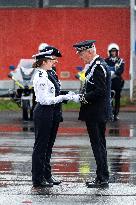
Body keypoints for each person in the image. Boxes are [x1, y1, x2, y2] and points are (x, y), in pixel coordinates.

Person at [71, 40, 111, 188]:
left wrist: (82, 97)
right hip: (96, 112)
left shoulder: (99, 67)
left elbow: (100, 91)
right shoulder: (95, 65)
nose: (80, 57)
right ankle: (102, 176)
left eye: (81, 54)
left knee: (98, 145)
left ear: (90, 52)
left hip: (96, 113)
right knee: (99, 144)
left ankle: (102, 178)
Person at [32, 48, 72, 188]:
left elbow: (55, 91)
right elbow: (44, 100)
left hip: (52, 112)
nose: (54, 62)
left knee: (48, 147)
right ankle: (38, 178)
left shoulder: (50, 73)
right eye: (51, 60)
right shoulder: (41, 76)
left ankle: (46, 175)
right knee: (41, 147)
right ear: (43, 62)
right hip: (44, 111)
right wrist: (63, 97)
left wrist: (67, 95)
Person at [105, 43, 125, 121]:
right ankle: (110, 113)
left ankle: (116, 113)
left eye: (115, 51)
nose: (113, 53)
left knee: (117, 97)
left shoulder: (120, 61)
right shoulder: (106, 60)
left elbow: (121, 70)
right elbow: (104, 69)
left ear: (117, 52)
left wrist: (115, 74)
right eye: (112, 51)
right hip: (109, 82)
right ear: (109, 52)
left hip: (117, 82)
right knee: (109, 98)